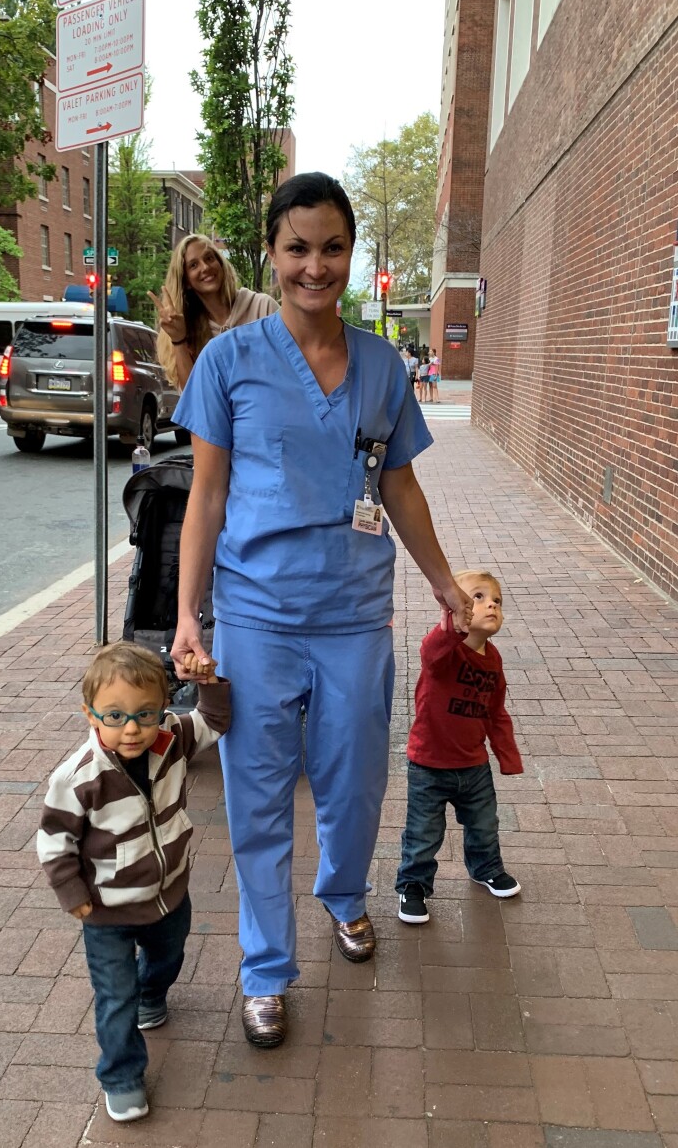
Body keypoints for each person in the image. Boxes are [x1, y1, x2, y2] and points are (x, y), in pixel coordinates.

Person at [169, 171, 472, 1050]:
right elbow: (207, 495)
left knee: (353, 780)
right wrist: (192, 616)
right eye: (297, 247)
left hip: (353, 618)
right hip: (258, 619)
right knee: (257, 797)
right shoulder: (230, 360)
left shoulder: (381, 365)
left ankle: (344, 895)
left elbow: (401, 485)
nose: (315, 265)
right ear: (270, 251)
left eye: (332, 247)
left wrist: (449, 586)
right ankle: (265, 967)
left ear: (350, 251)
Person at [36, 642, 231, 1123]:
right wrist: (74, 896)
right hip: (106, 911)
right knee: (113, 996)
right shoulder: (79, 776)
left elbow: (216, 721)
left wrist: (209, 683)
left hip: (169, 895)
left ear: (164, 709)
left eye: (146, 714)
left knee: (169, 956)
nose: (132, 728)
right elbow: (55, 840)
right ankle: (121, 1076)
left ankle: (153, 992)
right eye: (116, 715)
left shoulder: (171, 738)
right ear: (90, 713)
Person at [396, 569, 523, 926]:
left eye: (497, 600)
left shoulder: (493, 660)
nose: (491, 606)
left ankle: (487, 869)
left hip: (473, 764)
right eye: (478, 598)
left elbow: (495, 712)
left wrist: (506, 755)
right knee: (423, 832)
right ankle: (413, 886)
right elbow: (430, 651)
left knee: (484, 824)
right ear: (458, 610)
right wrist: (448, 622)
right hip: (429, 764)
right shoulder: (444, 653)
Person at [149, 234, 278, 391]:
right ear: (186, 281)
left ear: (220, 263)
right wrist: (178, 340)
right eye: (193, 265)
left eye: (209, 258)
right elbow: (193, 400)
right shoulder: (190, 331)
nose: (205, 267)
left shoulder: (262, 308)